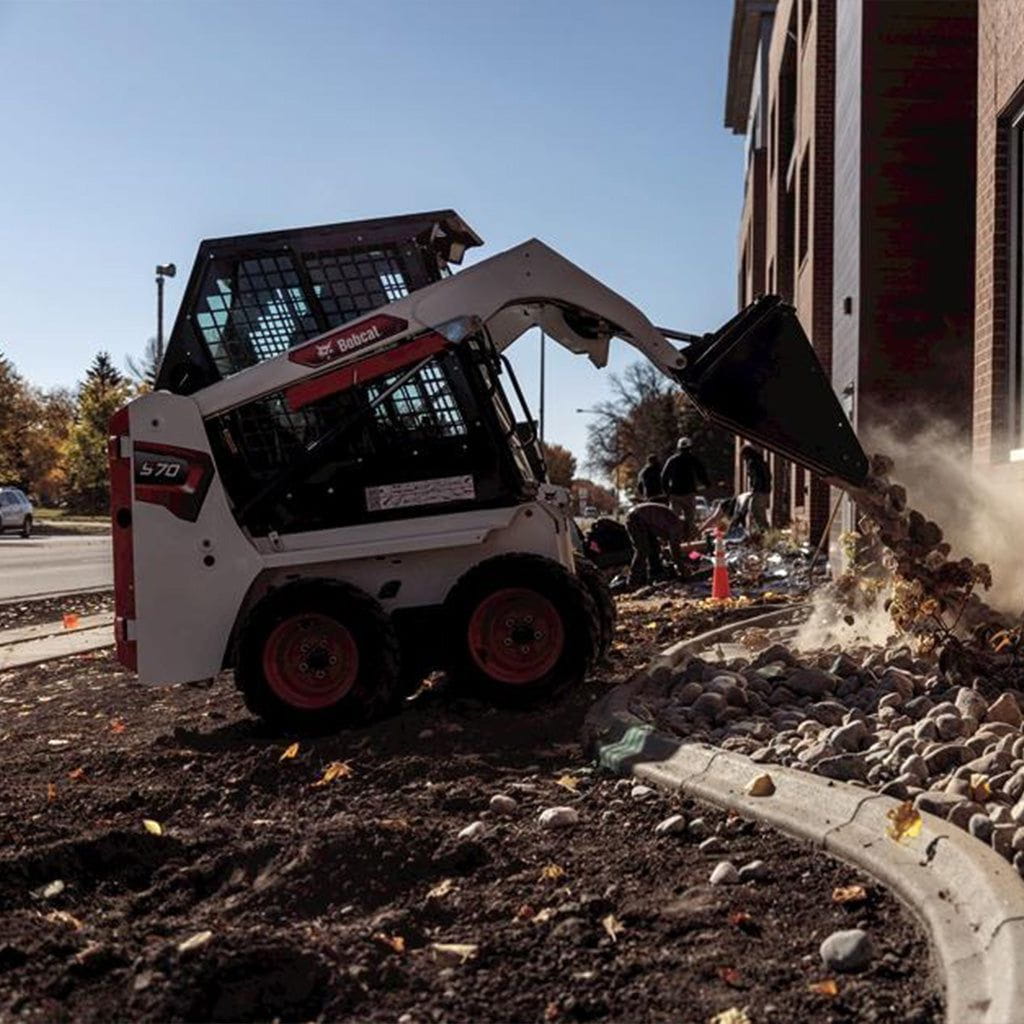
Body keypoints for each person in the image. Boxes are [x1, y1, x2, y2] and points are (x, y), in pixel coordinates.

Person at [625, 502, 688, 588]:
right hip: (636, 518)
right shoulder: (676, 526)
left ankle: (654, 576)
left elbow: (663, 539)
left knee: (655, 548)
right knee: (643, 550)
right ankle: (632, 582)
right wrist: (682, 570)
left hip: (642, 519)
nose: (681, 539)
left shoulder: (673, 522)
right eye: (683, 538)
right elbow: (675, 551)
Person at [661, 437, 708, 539]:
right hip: (689, 494)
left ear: (679, 448)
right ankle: (689, 541)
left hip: (675, 495)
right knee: (690, 520)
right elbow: (701, 473)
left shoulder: (672, 460)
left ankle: (674, 540)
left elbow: (664, 477)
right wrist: (706, 483)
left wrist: (667, 492)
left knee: (673, 520)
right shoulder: (693, 459)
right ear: (690, 448)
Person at [740, 445, 771, 534]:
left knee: (755, 511)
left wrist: (754, 489)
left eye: (743, 457)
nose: (743, 459)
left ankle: (763, 531)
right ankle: (764, 531)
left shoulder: (752, 463)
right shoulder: (762, 462)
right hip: (766, 491)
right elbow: (769, 476)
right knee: (760, 512)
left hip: (759, 491)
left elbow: (756, 478)